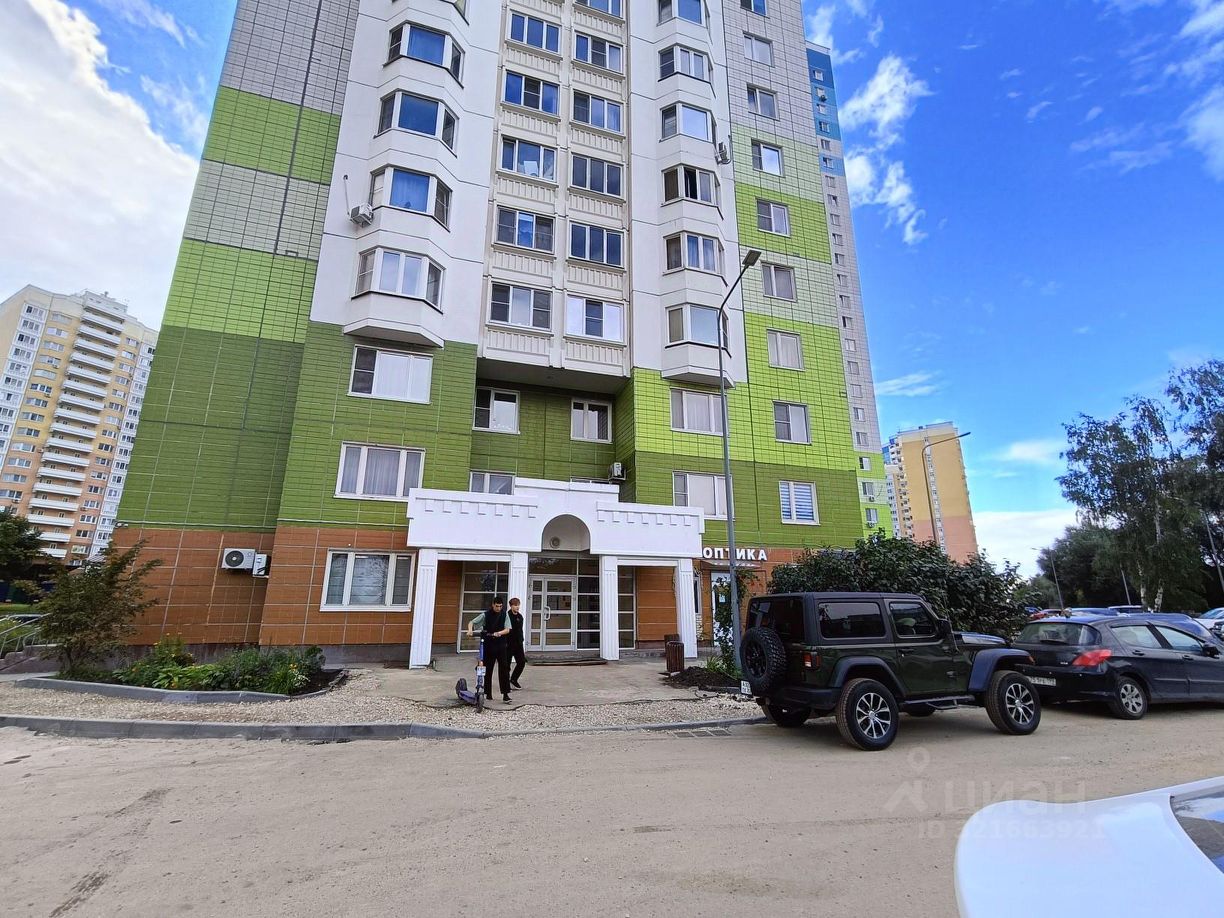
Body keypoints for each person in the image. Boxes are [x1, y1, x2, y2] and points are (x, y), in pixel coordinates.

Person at [467, 597, 512, 704]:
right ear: (493, 605)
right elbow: (472, 622)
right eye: (497, 606)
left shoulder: (504, 615)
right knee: (488, 669)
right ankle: (488, 693)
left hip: (501, 645)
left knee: (504, 669)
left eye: (500, 606)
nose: (498, 608)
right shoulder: (486, 615)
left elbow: (507, 629)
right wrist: (470, 630)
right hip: (489, 644)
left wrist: (499, 633)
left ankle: (505, 694)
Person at [507, 597, 527, 689]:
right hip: (508, 644)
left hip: (518, 643)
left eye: (518, 605)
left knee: (521, 662)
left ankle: (514, 679)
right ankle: (506, 683)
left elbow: (520, 630)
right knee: (506, 665)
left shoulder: (520, 617)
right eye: (515, 605)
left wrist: (521, 640)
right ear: (511, 606)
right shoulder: (507, 616)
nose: (517, 607)